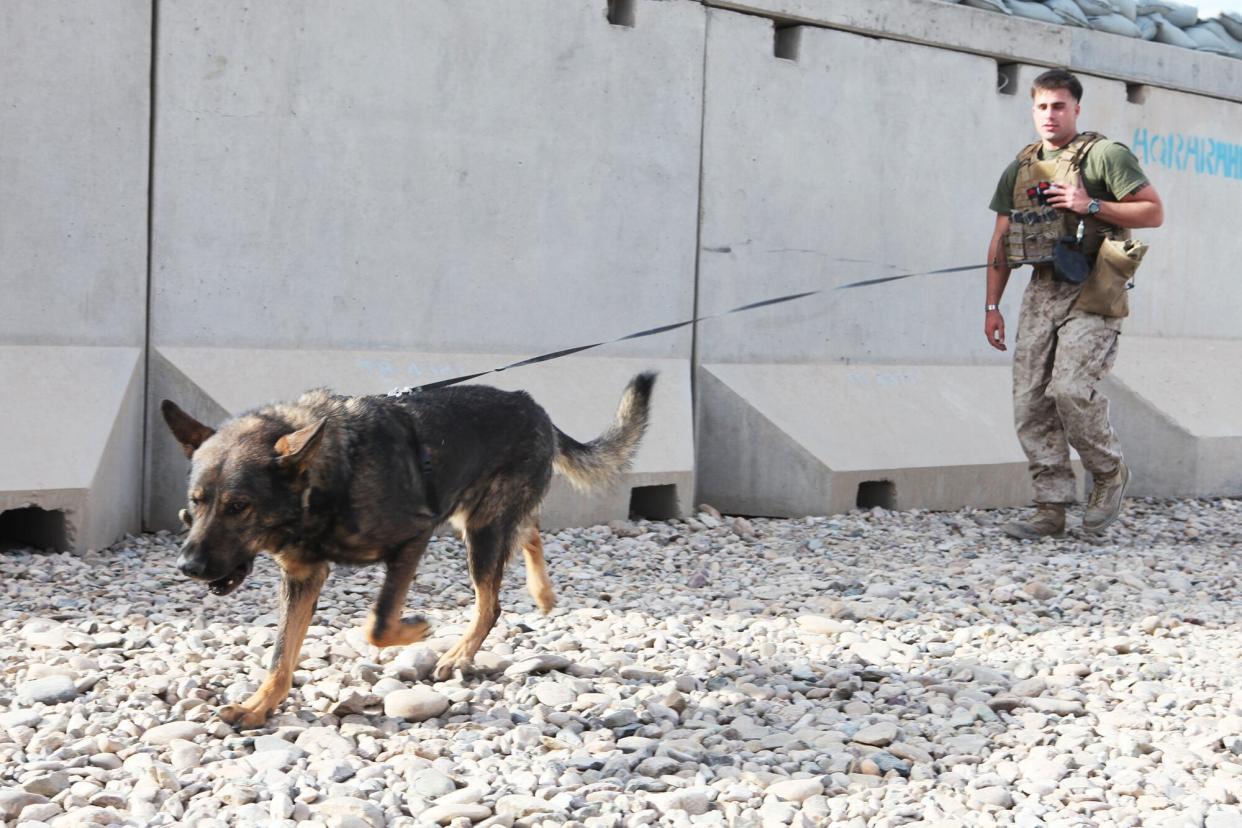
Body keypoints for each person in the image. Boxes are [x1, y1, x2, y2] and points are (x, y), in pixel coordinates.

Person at [984, 69, 1163, 539]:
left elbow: (1152, 211)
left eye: (1059, 105)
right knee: (1029, 403)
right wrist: (991, 307)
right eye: (1042, 106)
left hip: (1093, 285)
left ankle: (1108, 472)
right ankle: (1051, 507)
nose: (1050, 115)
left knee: (1068, 389)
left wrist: (1091, 206)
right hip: (1041, 289)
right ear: (1033, 110)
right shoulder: (1021, 168)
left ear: (1076, 109)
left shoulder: (1105, 155)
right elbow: (1001, 240)